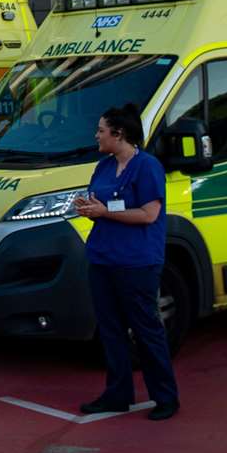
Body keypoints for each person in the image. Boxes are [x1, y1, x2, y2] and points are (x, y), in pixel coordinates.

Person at [72, 105, 179, 420]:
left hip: (137, 262)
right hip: (104, 258)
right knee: (111, 329)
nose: (97, 135)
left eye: (102, 130)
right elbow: (101, 203)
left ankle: (165, 396)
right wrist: (89, 207)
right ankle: (118, 394)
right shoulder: (103, 167)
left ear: (119, 134)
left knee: (147, 329)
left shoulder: (147, 167)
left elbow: (149, 214)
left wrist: (105, 212)